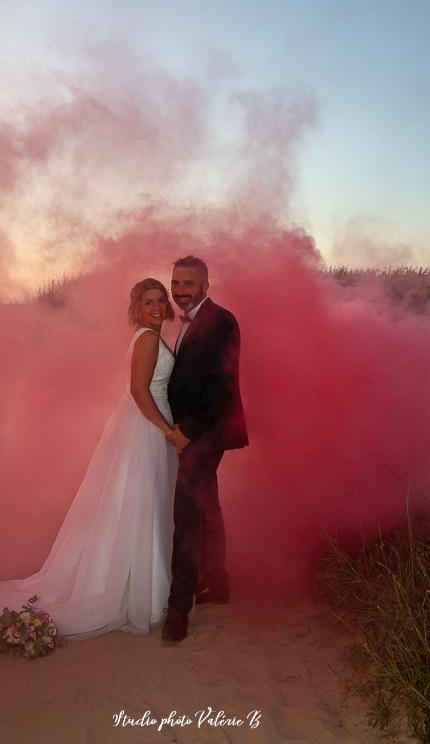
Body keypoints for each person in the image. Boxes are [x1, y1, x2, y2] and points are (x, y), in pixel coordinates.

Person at [0, 278, 183, 640]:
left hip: (144, 427)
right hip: (147, 429)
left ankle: (141, 584)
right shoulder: (147, 338)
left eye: (160, 300)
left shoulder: (151, 335)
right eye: (148, 302)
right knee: (141, 505)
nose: (157, 307)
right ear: (137, 307)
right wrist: (166, 430)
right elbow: (137, 391)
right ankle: (138, 592)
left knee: (138, 505)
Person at [162, 256, 248, 642]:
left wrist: (188, 431)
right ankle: (218, 583)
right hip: (195, 431)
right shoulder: (183, 320)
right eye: (176, 282)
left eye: (189, 283)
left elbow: (222, 384)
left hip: (207, 433)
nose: (181, 289)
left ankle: (178, 608)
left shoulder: (222, 320)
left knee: (187, 512)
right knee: (208, 505)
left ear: (205, 286)